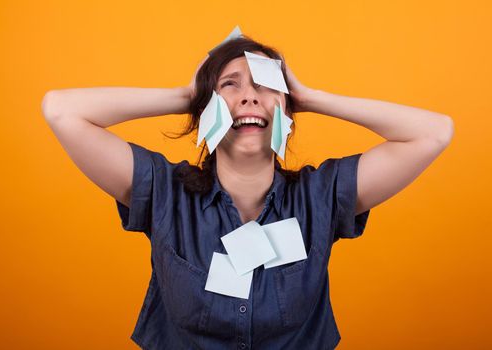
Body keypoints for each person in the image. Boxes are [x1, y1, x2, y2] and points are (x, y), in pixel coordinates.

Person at [42, 36, 453, 349]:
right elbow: (61, 110)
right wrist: (188, 96)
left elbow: (434, 132)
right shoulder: (164, 191)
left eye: (265, 85)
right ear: (207, 111)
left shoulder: (320, 196)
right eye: (230, 85)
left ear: (286, 110)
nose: (249, 95)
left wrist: (310, 97)